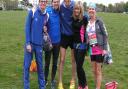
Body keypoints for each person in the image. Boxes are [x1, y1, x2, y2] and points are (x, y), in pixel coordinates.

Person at [23, 0, 48, 89]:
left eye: (45, 2)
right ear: (39, 2)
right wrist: (28, 43)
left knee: (40, 67)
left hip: (39, 45)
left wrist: (44, 29)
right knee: (26, 66)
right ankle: (26, 86)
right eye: (41, 1)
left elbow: (44, 28)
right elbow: (27, 27)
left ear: (46, 3)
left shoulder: (46, 15)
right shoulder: (32, 12)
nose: (43, 3)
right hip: (30, 45)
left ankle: (42, 86)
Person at [86, 2, 108, 89]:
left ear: (95, 11)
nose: (91, 10)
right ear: (88, 10)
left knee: (98, 70)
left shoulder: (99, 21)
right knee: (94, 70)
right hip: (91, 49)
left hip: (99, 48)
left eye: (93, 9)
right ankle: (96, 86)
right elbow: (86, 34)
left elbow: (105, 35)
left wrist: (105, 48)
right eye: (90, 9)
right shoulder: (87, 22)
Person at [58, 0, 76, 89]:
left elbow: (81, 14)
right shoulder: (61, 6)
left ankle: (73, 80)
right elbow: (52, 10)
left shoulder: (74, 4)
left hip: (73, 37)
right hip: (64, 36)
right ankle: (60, 82)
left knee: (73, 60)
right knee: (62, 60)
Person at [72, 1, 88, 89]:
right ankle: (80, 85)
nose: (76, 10)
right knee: (78, 66)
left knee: (79, 66)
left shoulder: (84, 18)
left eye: (78, 9)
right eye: (75, 9)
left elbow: (89, 29)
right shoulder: (74, 18)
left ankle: (85, 84)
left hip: (82, 45)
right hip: (75, 45)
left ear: (81, 9)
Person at [44, 0, 61, 88]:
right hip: (48, 42)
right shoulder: (47, 11)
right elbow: (42, 21)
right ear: (52, 3)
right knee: (47, 62)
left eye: (57, 2)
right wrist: (43, 27)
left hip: (57, 42)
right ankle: (45, 80)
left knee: (55, 63)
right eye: (54, 2)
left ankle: (53, 80)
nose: (56, 3)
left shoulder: (61, 12)